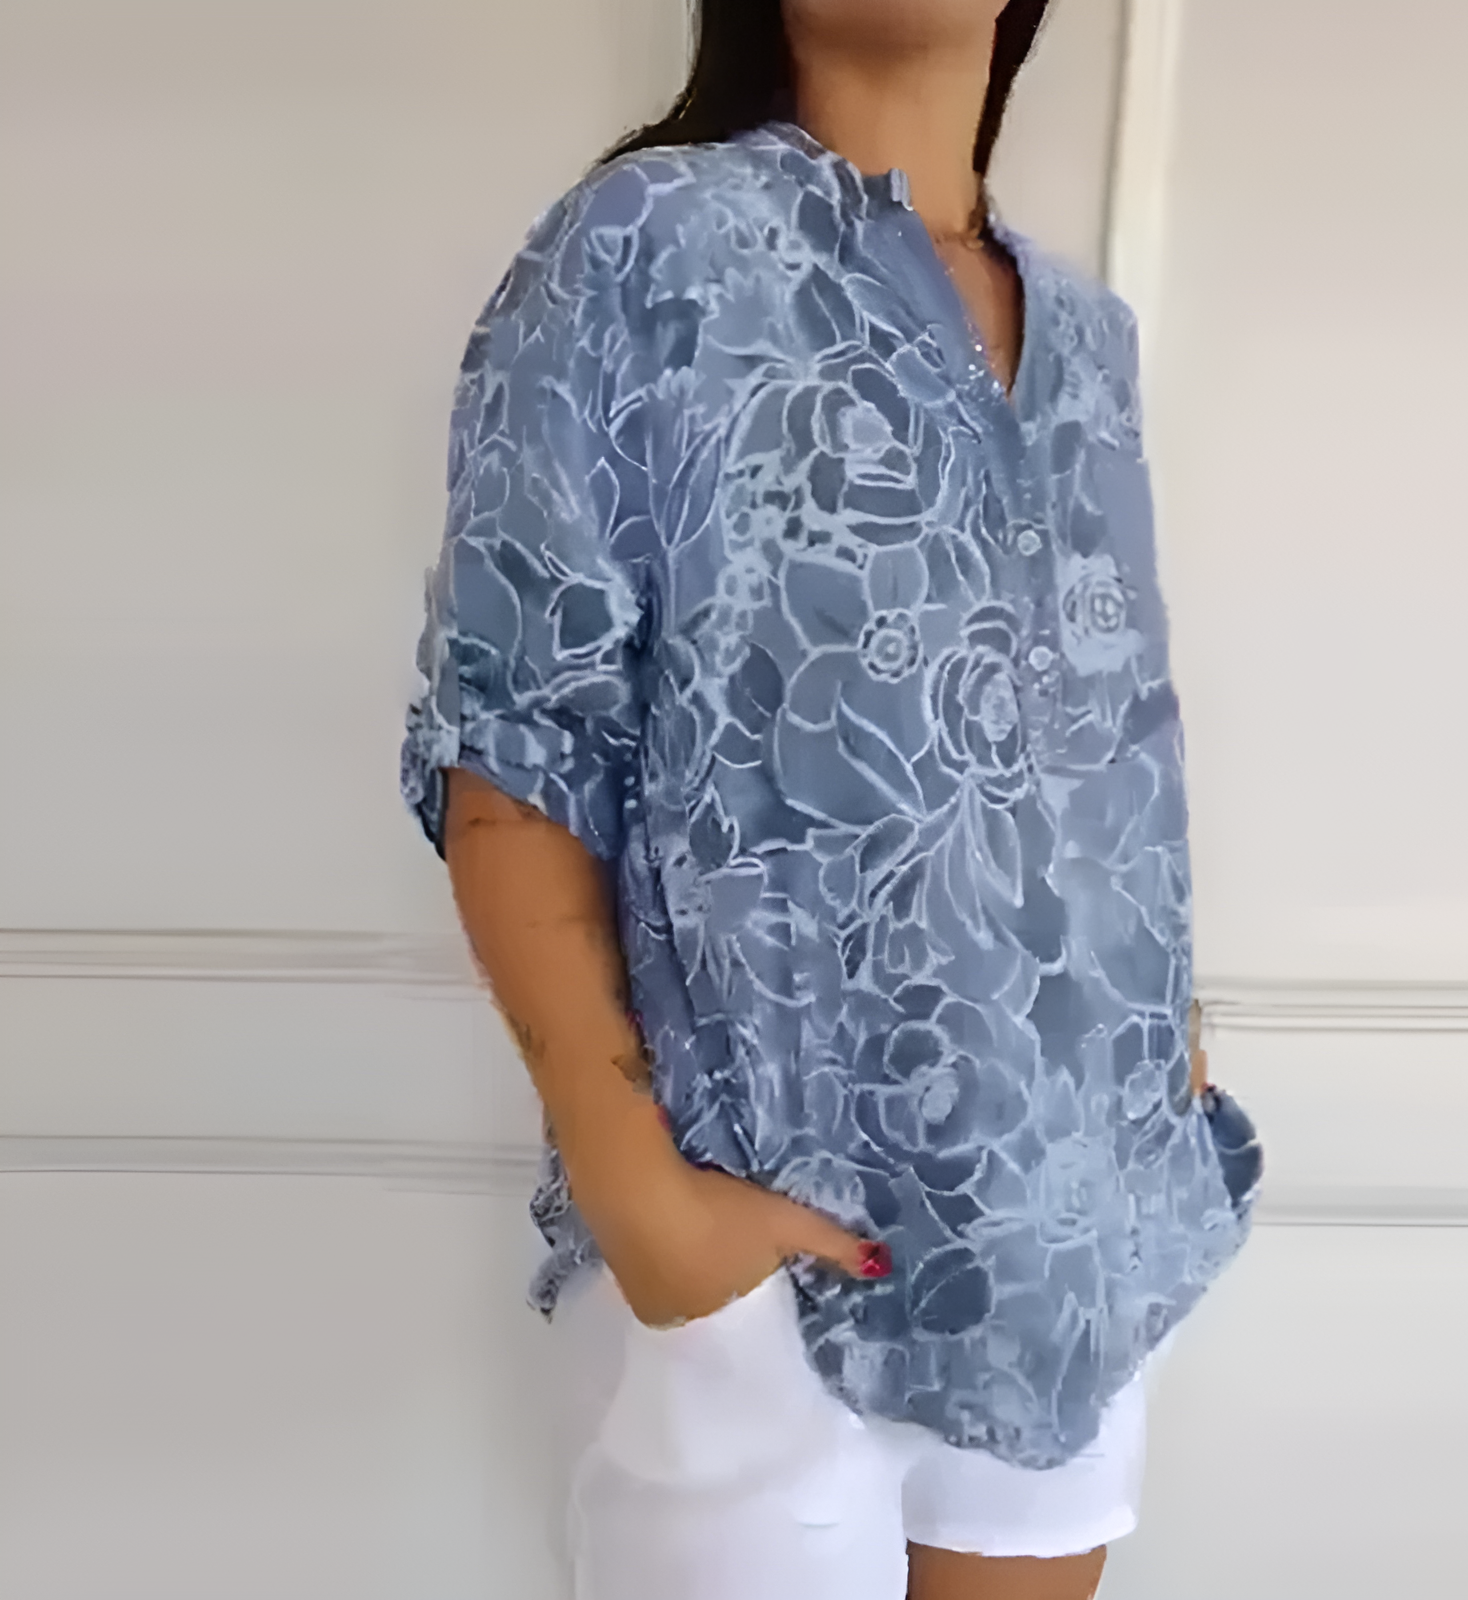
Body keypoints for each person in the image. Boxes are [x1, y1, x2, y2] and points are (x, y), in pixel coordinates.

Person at [401, 2, 1265, 1595]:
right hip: (770, 1253)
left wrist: (1162, 1051)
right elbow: (514, 731)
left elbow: (1102, 735)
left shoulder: (1090, 340)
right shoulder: (643, 249)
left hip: (1078, 1238)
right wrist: (639, 1190)